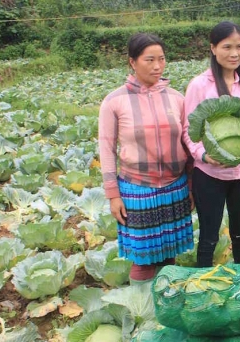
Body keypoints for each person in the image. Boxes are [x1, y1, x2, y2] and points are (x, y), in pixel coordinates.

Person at [99, 33, 195, 286]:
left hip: (175, 186)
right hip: (137, 188)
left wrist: (192, 186)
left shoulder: (176, 98)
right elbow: (106, 149)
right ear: (132, 62)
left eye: (161, 59)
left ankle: (165, 308)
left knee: (169, 253)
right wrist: (113, 194)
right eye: (149, 60)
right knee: (143, 258)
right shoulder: (114, 101)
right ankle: (141, 310)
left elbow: (188, 141)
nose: (157, 66)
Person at [183, 21, 240, 268]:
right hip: (209, 175)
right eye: (227, 47)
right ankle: (203, 286)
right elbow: (188, 130)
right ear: (213, 48)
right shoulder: (200, 85)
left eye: (239, 46)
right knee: (209, 236)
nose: (234, 53)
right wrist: (203, 155)